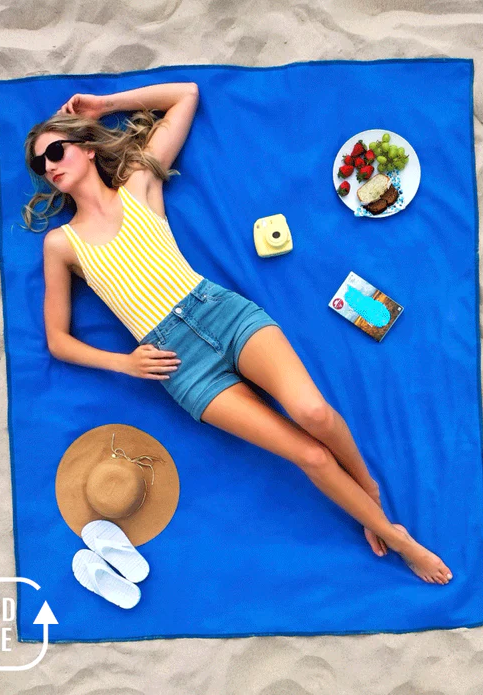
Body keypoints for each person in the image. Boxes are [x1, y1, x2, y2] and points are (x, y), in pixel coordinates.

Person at [23, 81, 452, 585]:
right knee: (307, 454)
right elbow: (58, 340)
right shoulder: (61, 243)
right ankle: (398, 538)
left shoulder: (138, 180)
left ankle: (367, 488)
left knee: (314, 413)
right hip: (178, 365)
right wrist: (125, 363)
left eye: (57, 150)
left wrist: (104, 105)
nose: (50, 165)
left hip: (222, 313)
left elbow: (186, 95)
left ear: (88, 148)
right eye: (40, 164)